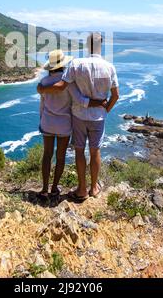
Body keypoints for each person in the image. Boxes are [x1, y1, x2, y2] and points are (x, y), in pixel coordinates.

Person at [37, 33, 119, 201]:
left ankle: (59, 188)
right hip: (80, 121)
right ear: (100, 45)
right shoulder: (108, 67)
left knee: (61, 153)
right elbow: (110, 96)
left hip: (63, 120)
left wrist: (41, 92)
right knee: (88, 152)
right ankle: (84, 188)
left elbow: (49, 98)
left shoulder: (53, 78)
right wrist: (103, 107)